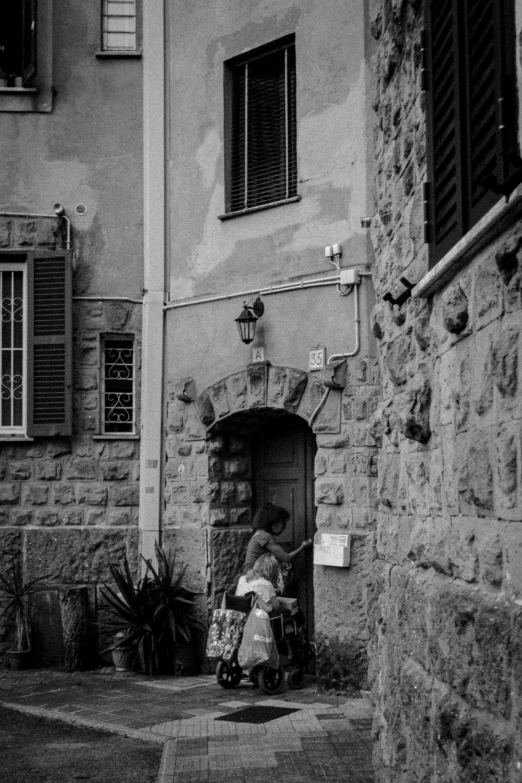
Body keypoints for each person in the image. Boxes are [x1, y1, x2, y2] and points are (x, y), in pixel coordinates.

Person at [242, 502, 312, 574]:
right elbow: (286, 557)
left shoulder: (259, 534)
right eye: (282, 523)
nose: (284, 527)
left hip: (250, 576)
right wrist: (303, 546)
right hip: (254, 577)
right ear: (273, 523)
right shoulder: (264, 537)